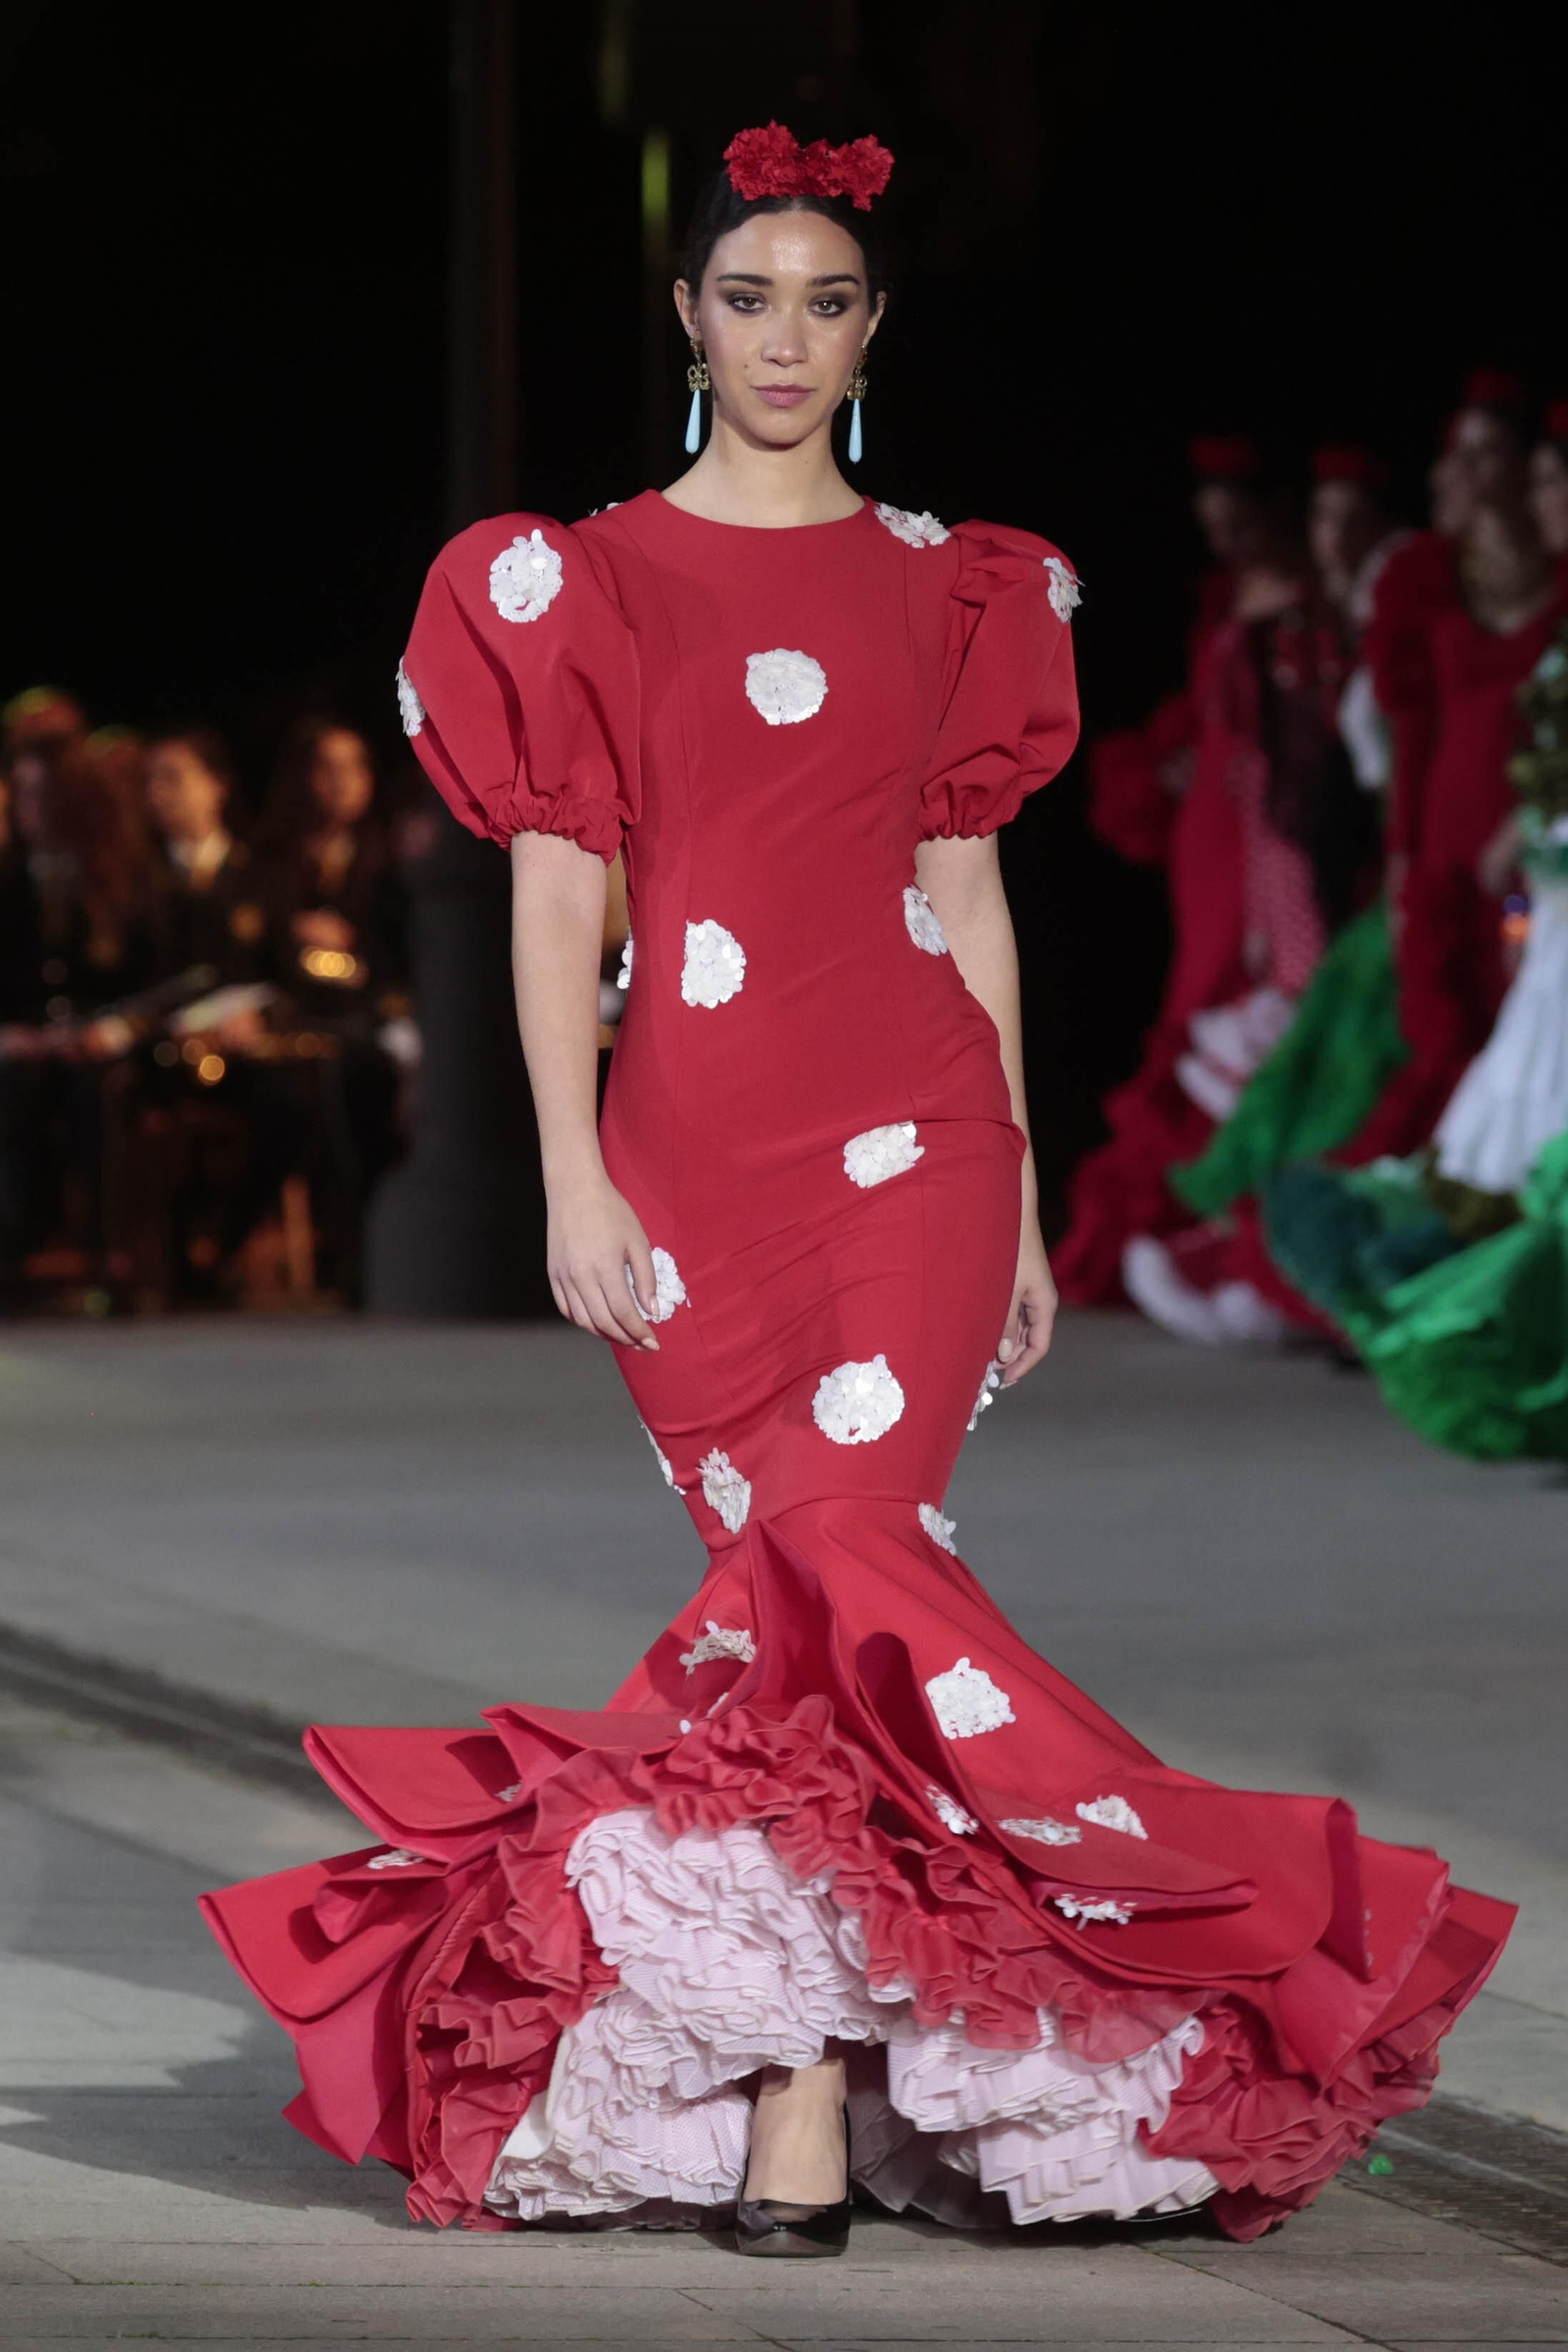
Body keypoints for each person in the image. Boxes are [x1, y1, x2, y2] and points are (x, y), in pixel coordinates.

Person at [200, 123, 1510, 2256]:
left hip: (919, 1139)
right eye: (748, 298)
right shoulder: (576, 583)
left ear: (873, 327)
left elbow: (966, 903)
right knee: (807, 1613)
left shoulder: (954, 585)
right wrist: (565, 1176)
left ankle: (804, 2084)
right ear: (689, 317)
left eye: (824, 303)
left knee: (840, 1553)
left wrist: (1018, 1204)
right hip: (688, 1162)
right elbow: (557, 907)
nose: (783, 340)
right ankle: (1139, 1939)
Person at [1054, 444, 1328, 1305]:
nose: (1228, 543)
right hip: (1213, 834)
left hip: (1272, 826)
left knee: (1269, 994)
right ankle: (1206, 1230)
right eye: (1215, 528)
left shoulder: (1310, 596)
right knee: (1205, 999)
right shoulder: (1228, 598)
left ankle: (1252, 1238)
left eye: (1239, 523)